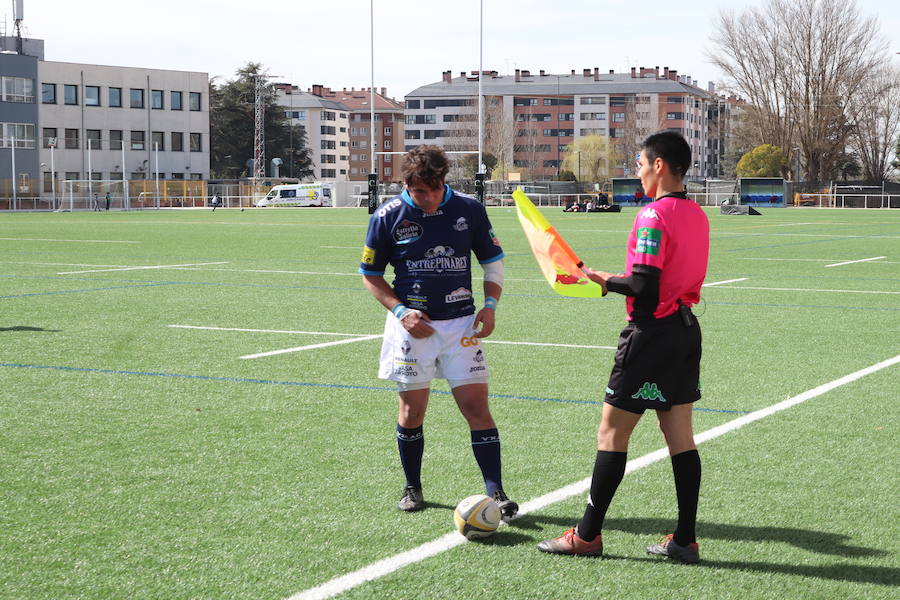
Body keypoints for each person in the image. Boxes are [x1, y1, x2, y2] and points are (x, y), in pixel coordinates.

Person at [537, 131, 710, 563]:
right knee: (680, 437)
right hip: (686, 332)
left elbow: (644, 284)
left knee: (612, 432)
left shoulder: (653, 215)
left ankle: (587, 536)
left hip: (651, 335)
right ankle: (685, 540)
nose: (637, 170)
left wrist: (602, 279)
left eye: (639, 163)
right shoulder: (697, 213)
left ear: (659, 165)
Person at [359, 145, 518, 520]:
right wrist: (400, 311)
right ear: (406, 186)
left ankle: (496, 491)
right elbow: (370, 274)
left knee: (477, 408)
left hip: (462, 325)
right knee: (412, 411)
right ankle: (412, 486)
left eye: (432, 190)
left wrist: (490, 307)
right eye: (418, 192)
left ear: (443, 182)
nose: (426, 199)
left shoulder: (469, 209)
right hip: (413, 330)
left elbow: (493, 263)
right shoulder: (387, 216)